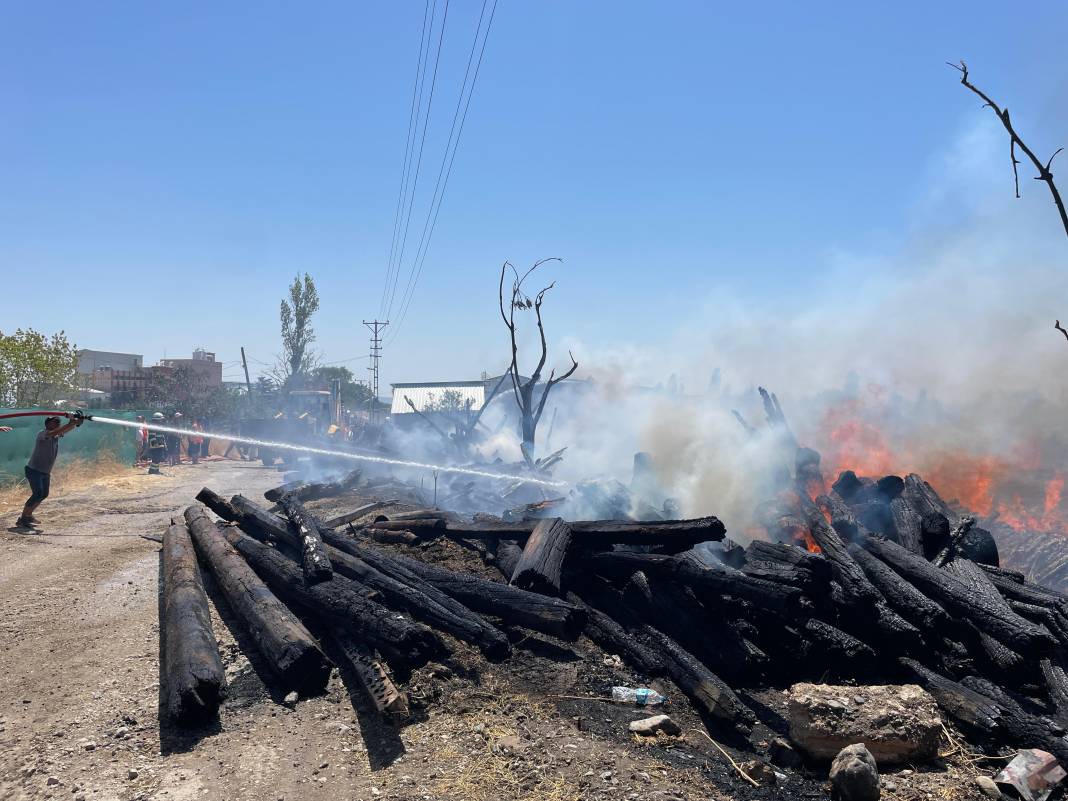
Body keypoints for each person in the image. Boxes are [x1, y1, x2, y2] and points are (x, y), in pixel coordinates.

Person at [15, 413, 84, 529]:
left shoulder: (56, 435)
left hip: (45, 471)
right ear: (47, 424)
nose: (57, 423)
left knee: (44, 494)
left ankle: (28, 515)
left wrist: (76, 422)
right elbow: (54, 433)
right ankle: (22, 519)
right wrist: (70, 422)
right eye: (54, 422)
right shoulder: (43, 433)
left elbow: (66, 430)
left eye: (58, 422)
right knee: (37, 493)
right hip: (34, 470)